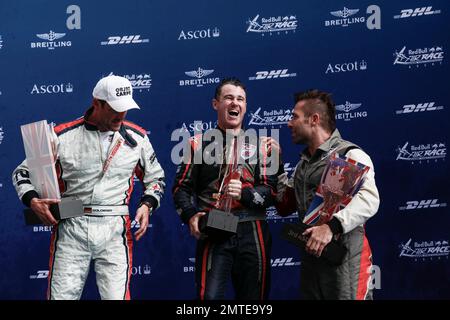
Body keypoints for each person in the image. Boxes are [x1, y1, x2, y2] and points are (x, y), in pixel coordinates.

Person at [12, 75, 165, 300]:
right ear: (97, 102)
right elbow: (21, 173)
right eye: (114, 108)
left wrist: (147, 204)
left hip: (116, 229)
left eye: (126, 108)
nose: (121, 115)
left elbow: (156, 179)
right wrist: (33, 200)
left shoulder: (138, 138)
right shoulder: (59, 135)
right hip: (72, 226)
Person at [172, 78, 279, 300]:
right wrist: (191, 216)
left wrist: (245, 194)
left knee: (254, 301)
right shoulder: (196, 144)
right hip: (216, 224)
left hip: (252, 226)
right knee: (208, 299)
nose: (235, 103)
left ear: (246, 106)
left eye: (240, 99)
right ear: (215, 104)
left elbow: (272, 193)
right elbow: (180, 189)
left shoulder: (263, 145)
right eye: (228, 98)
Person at [275, 89, 380, 300]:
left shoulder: (348, 154)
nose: (288, 123)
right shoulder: (302, 165)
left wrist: (331, 227)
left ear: (314, 119)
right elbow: (284, 206)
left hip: (346, 261)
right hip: (312, 262)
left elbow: (369, 200)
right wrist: (275, 166)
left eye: (294, 117)